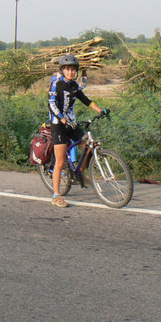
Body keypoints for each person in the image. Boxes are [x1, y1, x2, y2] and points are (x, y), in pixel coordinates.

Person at [48, 55, 105, 208]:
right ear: (63, 70)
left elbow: (86, 100)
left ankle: (79, 171)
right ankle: (56, 195)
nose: (71, 72)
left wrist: (100, 110)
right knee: (60, 162)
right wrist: (61, 118)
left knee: (88, 144)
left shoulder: (74, 86)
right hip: (58, 124)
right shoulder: (57, 84)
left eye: (73, 70)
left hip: (71, 123)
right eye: (68, 69)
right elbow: (51, 104)